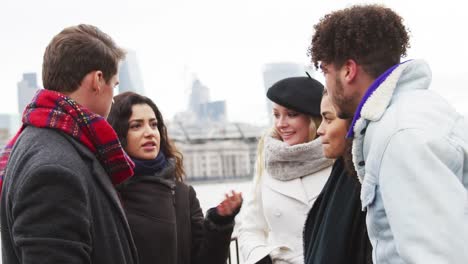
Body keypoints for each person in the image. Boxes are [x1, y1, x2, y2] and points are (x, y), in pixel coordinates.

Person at [310, 4, 468, 263]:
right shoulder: (418, 111)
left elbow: (437, 255)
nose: (326, 83)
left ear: (348, 71)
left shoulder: (400, 135)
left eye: (326, 71)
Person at [0, 24, 138, 263]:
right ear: (97, 80)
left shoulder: (39, 140)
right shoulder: (54, 171)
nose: (114, 99)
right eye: (114, 86)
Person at [107, 91, 243, 264]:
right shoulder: (105, 190)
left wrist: (220, 222)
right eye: (136, 126)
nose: (149, 133)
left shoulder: (182, 195)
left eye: (154, 124)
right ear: (117, 133)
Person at [238, 76, 333, 264]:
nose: (281, 123)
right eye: (276, 115)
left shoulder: (338, 161)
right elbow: (250, 227)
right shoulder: (268, 162)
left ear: (313, 119)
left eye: (291, 114)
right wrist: (259, 257)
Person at [303, 90, 372, 264]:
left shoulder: (359, 180)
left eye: (328, 119)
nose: (320, 130)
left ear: (353, 122)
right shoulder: (344, 170)